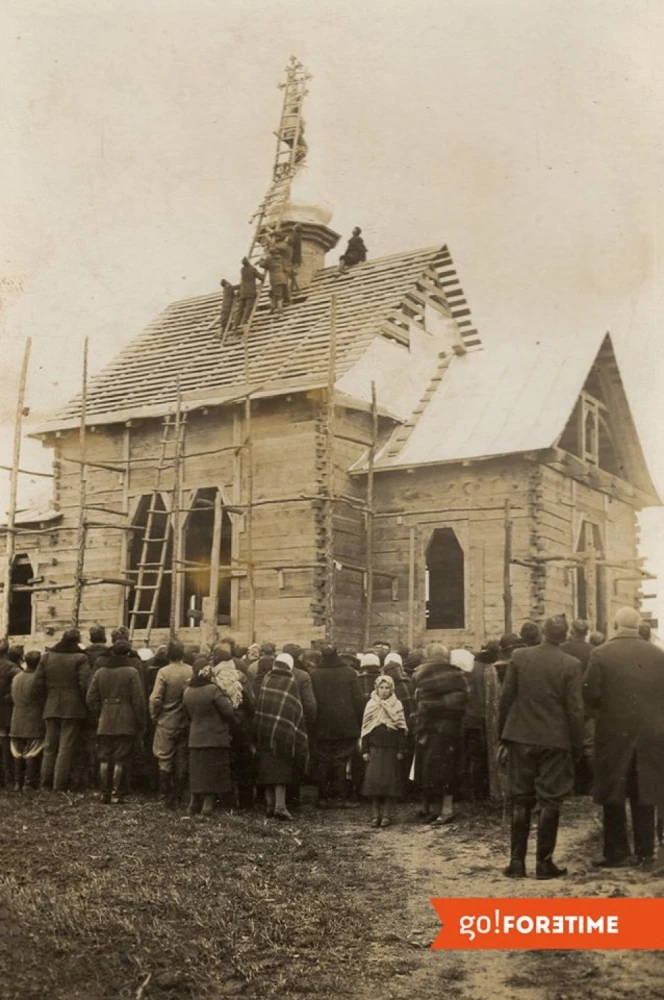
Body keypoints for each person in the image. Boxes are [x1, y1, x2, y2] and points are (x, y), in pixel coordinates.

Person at [498, 617, 584, 880]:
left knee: (520, 798)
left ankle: (516, 863)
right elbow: (575, 709)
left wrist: (503, 735)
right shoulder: (571, 664)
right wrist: (577, 745)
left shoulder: (520, 656)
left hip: (520, 735)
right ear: (565, 636)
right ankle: (544, 864)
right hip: (555, 740)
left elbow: (506, 699)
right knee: (550, 799)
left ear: (543, 633)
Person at [583, 606, 664, 871]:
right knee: (645, 792)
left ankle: (617, 853)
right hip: (650, 735)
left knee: (613, 792)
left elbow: (590, 694)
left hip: (613, 734)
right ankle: (646, 855)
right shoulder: (658, 655)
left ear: (615, 624)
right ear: (639, 625)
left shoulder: (601, 653)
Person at [86, 638, 147, 804]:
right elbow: (138, 700)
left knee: (105, 756)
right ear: (128, 653)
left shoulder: (100, 672)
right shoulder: (132, 672)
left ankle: (103, 792)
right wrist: (140, 721)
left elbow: (90, 698)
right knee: (120, 757)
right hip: (125, 720)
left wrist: (101, 713)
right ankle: (116, 793)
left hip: (105, 720)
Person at [413, 643, 468, 826]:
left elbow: (426, 703)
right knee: (442, 770)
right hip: (447, 729)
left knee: (437, 770)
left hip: (435, 729)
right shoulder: (457, 674)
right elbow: (461, 700)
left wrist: (429, 708)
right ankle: (439, 810)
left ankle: (446, 811)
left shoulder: (423, 674)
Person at [254, 652, 309, 821]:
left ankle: (270, 806)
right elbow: (294, 706)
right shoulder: (290, 680)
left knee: (268, 768)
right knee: (281, 769)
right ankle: (280, 807)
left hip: (265, 730)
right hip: (283, 733)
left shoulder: (267, 678)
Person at [34, 628, 90, 792]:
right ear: (77, 640)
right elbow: (84, 684)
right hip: (73, 708)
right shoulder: (81, 658)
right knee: (65, 748)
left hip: (51, 706)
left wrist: (46, 701)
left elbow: (38, 685)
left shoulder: (46, 657)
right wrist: (84, 704)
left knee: (50, 747)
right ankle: (59, 785)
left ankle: (45, 784)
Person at [310, 645, 365, 808]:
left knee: (323, 761)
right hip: (345, 724)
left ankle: (323, 797)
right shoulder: (349, 672)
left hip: (321, 724)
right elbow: (358, 699)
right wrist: (360, 720)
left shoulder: (314, 674)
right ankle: (342, 798)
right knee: (341, 760)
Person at [183, 661, 237, 817]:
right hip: (215, 736)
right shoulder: (213, 690)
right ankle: (208, 805)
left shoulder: (187, 691)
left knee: (197, 771)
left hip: (195, 737)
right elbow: (228, 712)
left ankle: (193, 804)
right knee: (212, 771)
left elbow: (186, 714)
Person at [210, 646, 255, 810]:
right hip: (241, 725)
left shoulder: (212, 678)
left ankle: (225, 801)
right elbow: (250, 702)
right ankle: (246, 802)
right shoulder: (240, 676)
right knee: (244, 764)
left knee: (224, 763)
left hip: (221, 725)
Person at [149, 639, 193, 807]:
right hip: (186, 720)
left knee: (164, 757)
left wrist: (154, 716)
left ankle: (164, 794)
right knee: (182, 757)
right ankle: (179, 794)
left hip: (167, 720)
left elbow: (156, 698)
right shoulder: (191, 671)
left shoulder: (164, 672)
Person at [360, 674, 408, 828]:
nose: (384, 691)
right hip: (375, 749)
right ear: (376, 688)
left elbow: (401, 729)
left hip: (391, 750)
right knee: (374, 784)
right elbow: (366, 730)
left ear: (392, 689)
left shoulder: (397, 705)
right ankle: (375, 815)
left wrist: (401, 749)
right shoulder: (371, 705)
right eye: (381, 687)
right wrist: (365, 750)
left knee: (389, 783)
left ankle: (387, 815)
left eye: (387, 688)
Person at [485, 633, 523, 802]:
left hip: (500, 716)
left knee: (502, 755)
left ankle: (502, 793)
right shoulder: (521, 666)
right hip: (519, 717)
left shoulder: (493, 669)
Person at [463, 641, 500, 802]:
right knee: (485, 756)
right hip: (485, 718)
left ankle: (475, 793)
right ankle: (483, 792)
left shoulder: (471, 667)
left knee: (475, 757)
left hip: (471, 718)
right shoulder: (492, 668)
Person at [561, 619, 594, 794]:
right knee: (589, 745)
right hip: (587, 706)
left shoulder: (563, 649)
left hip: (566, 705)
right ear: (586, 633)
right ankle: (591, 785)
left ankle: (569, 786)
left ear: (572, 632)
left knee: (567, 743)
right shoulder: (593, 651)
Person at [10, 650, 45, 791]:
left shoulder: (17, 677)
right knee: (33, 751)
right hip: (34, 718)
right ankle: (28, 783)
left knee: (17, 752)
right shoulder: (39, 679)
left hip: (17, 718)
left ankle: (17, 782)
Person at [0, 641, 21, 787]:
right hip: (5, 710)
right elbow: (21, 681)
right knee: (6, 745)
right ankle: (8, 779)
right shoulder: (11, 667)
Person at [235, 257, 264, 329]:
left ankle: (235, 324)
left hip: (242, 292)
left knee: (240, 309)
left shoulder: (242, 270)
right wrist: (263, 275)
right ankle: (243, 322)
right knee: (248, 308)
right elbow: (260, 277)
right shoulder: (252, 269)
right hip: (250, 292)